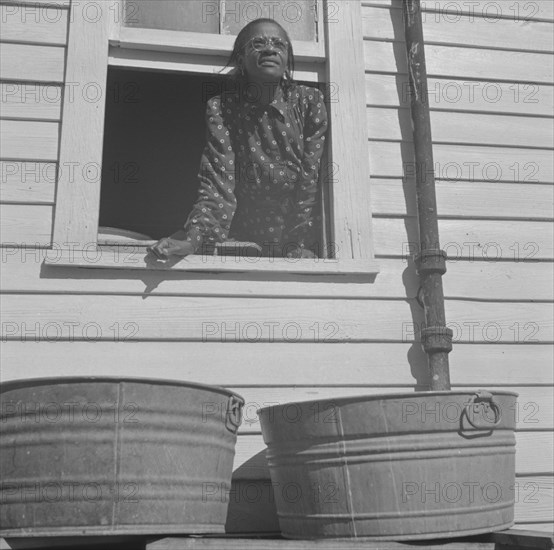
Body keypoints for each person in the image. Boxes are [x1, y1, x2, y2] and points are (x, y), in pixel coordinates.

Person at [149, 18, 328, 260]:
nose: (269, 48)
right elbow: (218, 182)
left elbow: (311, 178)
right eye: (258, 43)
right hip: (245, 240)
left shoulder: (309, 102)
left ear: (287, 58)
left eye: (279, 44)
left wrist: (300, 242)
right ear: (241, 59)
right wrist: (193, 240)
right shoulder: (223, 108)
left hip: (302, 238)